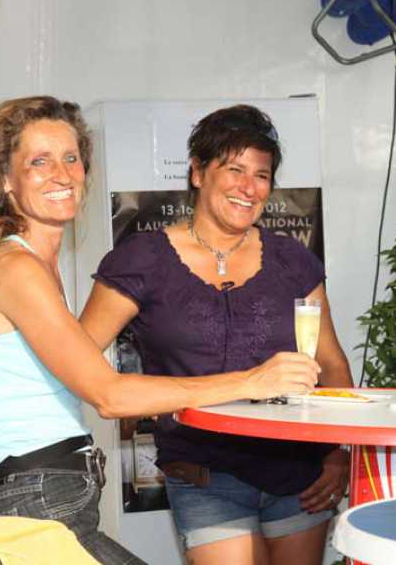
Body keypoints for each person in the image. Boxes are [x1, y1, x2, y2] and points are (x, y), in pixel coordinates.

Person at [0, 96, 321, 565]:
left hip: (48, 493)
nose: (61, 174)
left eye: (71, 159)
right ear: (5, 178)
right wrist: (253, 381)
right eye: (39, 161)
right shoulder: (14, 266)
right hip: (36, 497)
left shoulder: (29, 263)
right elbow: (109, 395)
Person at [79, 104, 354, 565]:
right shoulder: (141, 260)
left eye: (261, 175)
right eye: (234, 170)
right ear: (197, 172)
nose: (249, 187)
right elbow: (76, 358)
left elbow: (331, 361)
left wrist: (339, 454)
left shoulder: (292, 260)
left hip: (298, 472)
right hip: (204, 475)